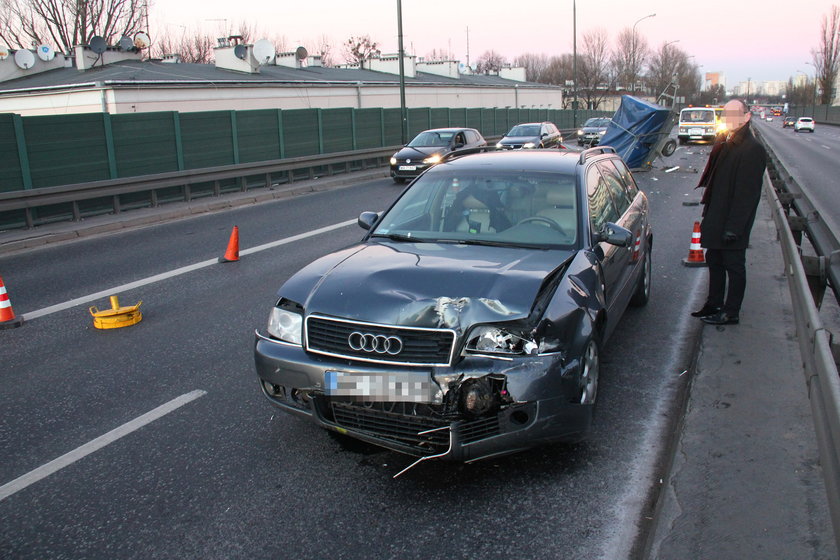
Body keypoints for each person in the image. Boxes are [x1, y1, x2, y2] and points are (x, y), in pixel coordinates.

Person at [691, 99, 767, 325]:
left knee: (734, 266)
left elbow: (748, 195)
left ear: (746, 117)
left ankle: (731, 311)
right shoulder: (726, 141)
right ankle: (713, 303)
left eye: (734, 113)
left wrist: (734, 228)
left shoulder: (752, 149)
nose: (729, 117)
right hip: (717, 215)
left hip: (733, 223)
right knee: (714, 260)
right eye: (725, 113)